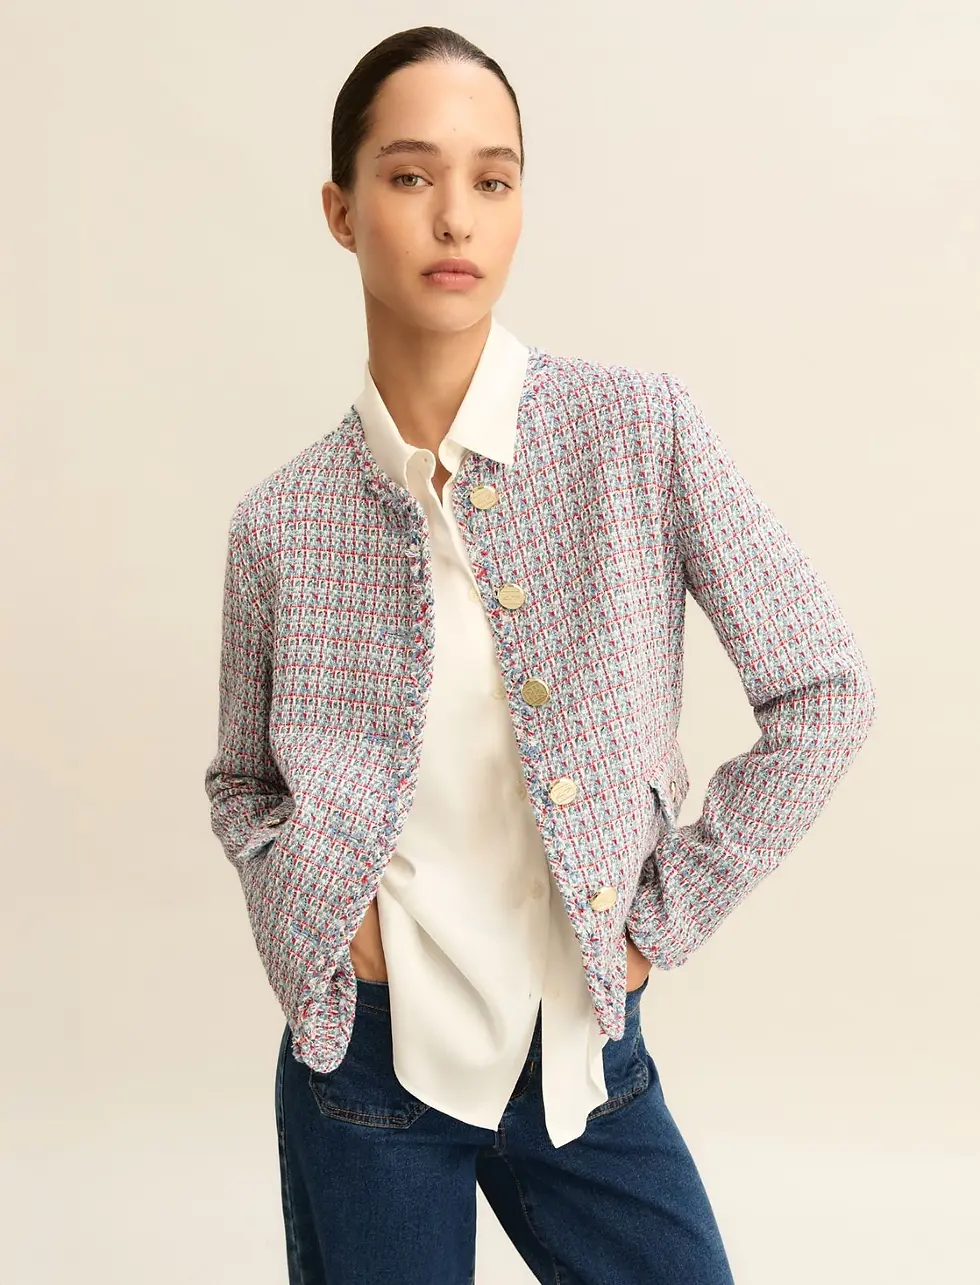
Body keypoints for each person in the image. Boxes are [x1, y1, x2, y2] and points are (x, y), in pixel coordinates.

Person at [204, 25, 876, 1285]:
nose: (454, 215)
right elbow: (242, 785)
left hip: (582, 1055)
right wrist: (317, 918)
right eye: (410, 175)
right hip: (366, 1067)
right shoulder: (278, 522)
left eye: (492, 178)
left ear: (519, 206)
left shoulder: (636, 431)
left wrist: (656, 922)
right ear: (342, 212)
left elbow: (824, 689)